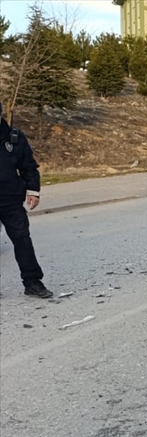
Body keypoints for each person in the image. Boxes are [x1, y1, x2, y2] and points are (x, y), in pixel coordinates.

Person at [0, 102, 53, 299]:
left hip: (11, 199)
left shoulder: (14, 138)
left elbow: (29, 166)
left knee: (22, 240)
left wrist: (33, 190)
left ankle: (32, 282)